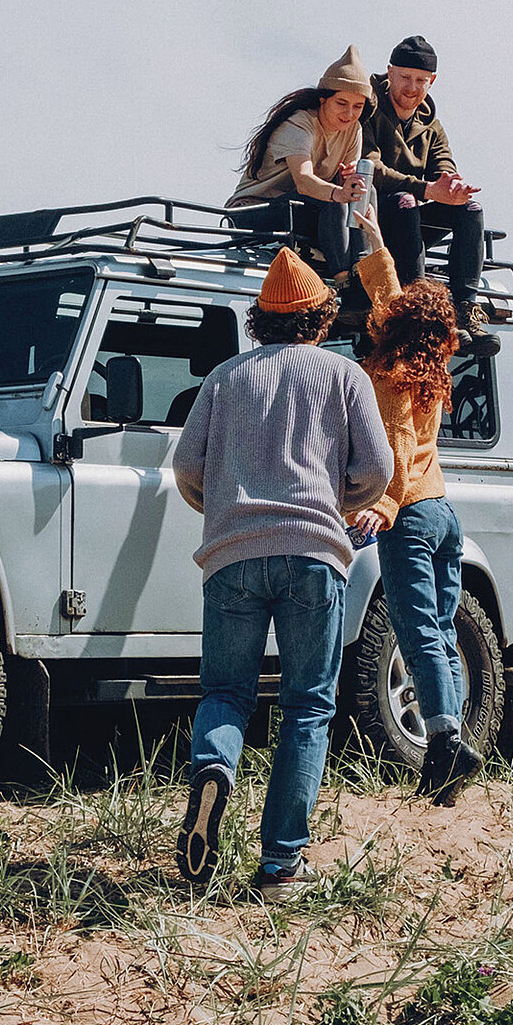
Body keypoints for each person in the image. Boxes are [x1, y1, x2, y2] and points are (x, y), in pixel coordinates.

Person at [172, 246, 394, 900]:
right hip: (314, 556)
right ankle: (280, 866)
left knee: (226, 693)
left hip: (232, 556)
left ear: (258, 321)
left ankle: (214, 770)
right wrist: (341, 501)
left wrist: (221, 506)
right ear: (322, 319)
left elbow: (187, 468)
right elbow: (378, 472)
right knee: (306, 706)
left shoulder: (225, 378)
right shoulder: (343, 375)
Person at [349, 189, 484, 805]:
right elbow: (387, 291)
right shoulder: (435, 356)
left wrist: (384, 502)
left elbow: (398, 447)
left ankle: (446, 739)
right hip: (444, 512)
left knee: (417, 629)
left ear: (401, 321)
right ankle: (450, 748)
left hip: (409, 512)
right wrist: (373, 231)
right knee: (441, 627)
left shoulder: (393, 370)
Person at [363, 35, 492, 344]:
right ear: (390, 72)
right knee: (407, 201)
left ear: (432, 81)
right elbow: (371, 170)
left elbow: (443, 166)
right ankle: (419, 305)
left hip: (412, 225)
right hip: (373, 220)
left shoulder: (432, 125)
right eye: (405, 77)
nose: (412, 87)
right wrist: (427, 190)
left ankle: (465, 308)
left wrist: (453, 187)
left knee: (470, 209)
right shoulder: (367, 109)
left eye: (420, 80)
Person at [225, 47, 373, 303]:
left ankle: (363, 270)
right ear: (322, 99)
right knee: (335, 198)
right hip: (253, 214)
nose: (349, 114)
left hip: (305, 211)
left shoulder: (354, 130)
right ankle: (343, 283)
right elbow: (304, 181)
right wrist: (339, 191)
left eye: (357, 107)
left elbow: (349, 191)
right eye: (341, 103)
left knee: (364, 189)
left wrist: (349, 183)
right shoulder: (299, 123)